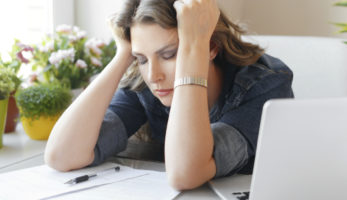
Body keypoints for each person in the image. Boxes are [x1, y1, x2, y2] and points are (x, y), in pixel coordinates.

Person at [45, 0, 294, 190]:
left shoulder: (264, 84)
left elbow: (186, 173)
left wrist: (194, 47)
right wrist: (123, 55)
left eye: (169, 55)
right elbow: (61, 156)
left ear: (212, 47)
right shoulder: (145, 84)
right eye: (141, 58)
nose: (153, 75)